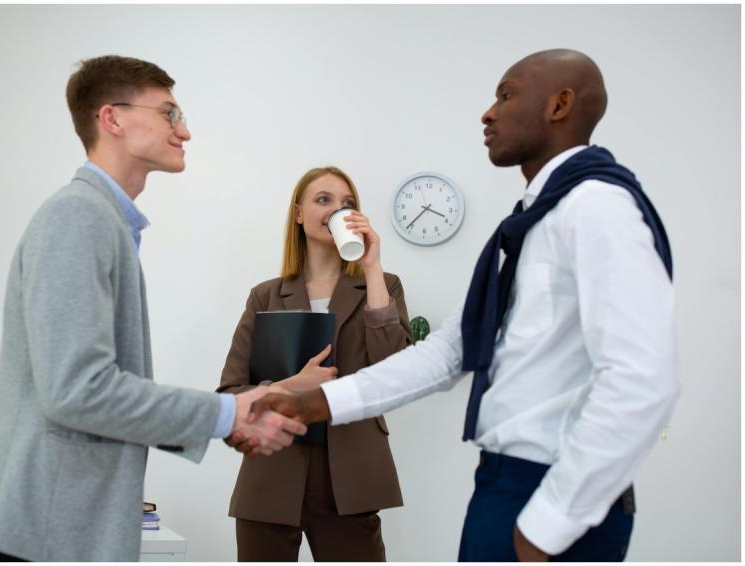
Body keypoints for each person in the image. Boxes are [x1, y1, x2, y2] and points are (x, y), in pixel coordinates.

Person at [248, 49, 680, 562]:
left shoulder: (597, 208)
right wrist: (316, 402)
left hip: (553, 490)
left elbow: (642, 379)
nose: (488, 112)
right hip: (504, 482)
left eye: (506, 95)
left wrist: (551, 522)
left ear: (560, 105)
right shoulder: (532, 221)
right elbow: (449, 351)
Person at [0, 55, 314, 562]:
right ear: (112, 119)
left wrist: (235, 413)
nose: (186, 132)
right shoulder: (77, 218)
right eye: (169, 114)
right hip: (52, 522)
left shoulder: (107, 222)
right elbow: (77, 390)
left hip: (66, 516)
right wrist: (227, 414)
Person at [217, 166, 413, 561]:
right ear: (299, 214)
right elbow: (231, 391)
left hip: (351, 473)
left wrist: (372, 267)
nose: (336, 211)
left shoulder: (384, 285)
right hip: (272, 473)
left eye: (347, 203)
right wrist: (291, 386)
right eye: (323, 200)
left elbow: (396, 371)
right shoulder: (265, 296)